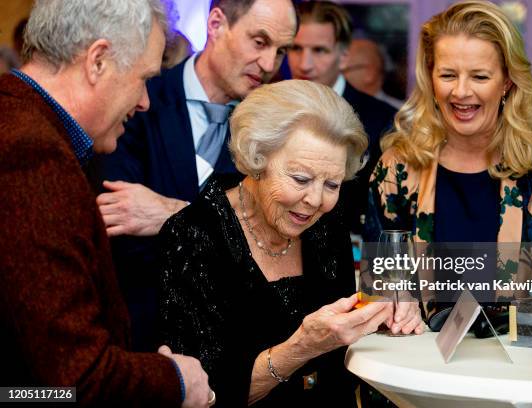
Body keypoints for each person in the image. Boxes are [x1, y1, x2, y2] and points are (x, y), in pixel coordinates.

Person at [159, 80, 424, 407]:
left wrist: (384, 312)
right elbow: (202, 394)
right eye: (300, 179)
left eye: (332, 183)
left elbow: (343, 351)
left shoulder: (327, 221)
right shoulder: (193, 235)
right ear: (258, 157)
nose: (315, 200)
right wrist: (301, 347)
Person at [0, 1, 213, 406]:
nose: (146, 101)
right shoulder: (30, 154)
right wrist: (176, 380)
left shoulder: (19, 118)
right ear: (97, 60)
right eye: (144, 78)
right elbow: (72, 378)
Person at [93, 0, 298, 351]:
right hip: (139, 342)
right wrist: (228, 231)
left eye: (281, 51)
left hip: (238, 346)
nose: (268, 64)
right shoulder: (140, 102)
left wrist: (173, 213)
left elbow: (274, 242)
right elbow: (120, 230)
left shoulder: (277, 130)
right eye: (259, 42)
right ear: (216, 24)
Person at [367, 0, 532, 322]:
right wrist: (394, 306)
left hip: (516, 365)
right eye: (448, 75)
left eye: (480, 77)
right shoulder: (398, 170)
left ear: (508, 81)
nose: (461, 92)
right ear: (430, 77)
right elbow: (378, 291)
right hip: (417, 363)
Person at [287, 1, 397, 235]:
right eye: (296, 49)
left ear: (344, 56)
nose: (304, 64)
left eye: (319, 50)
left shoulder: (382, 120)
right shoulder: (269, 110)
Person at [344, 38, 403, 109]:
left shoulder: (399, 114)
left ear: (370, 73)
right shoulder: (334, 109)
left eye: (344, 70)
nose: (337, 75)